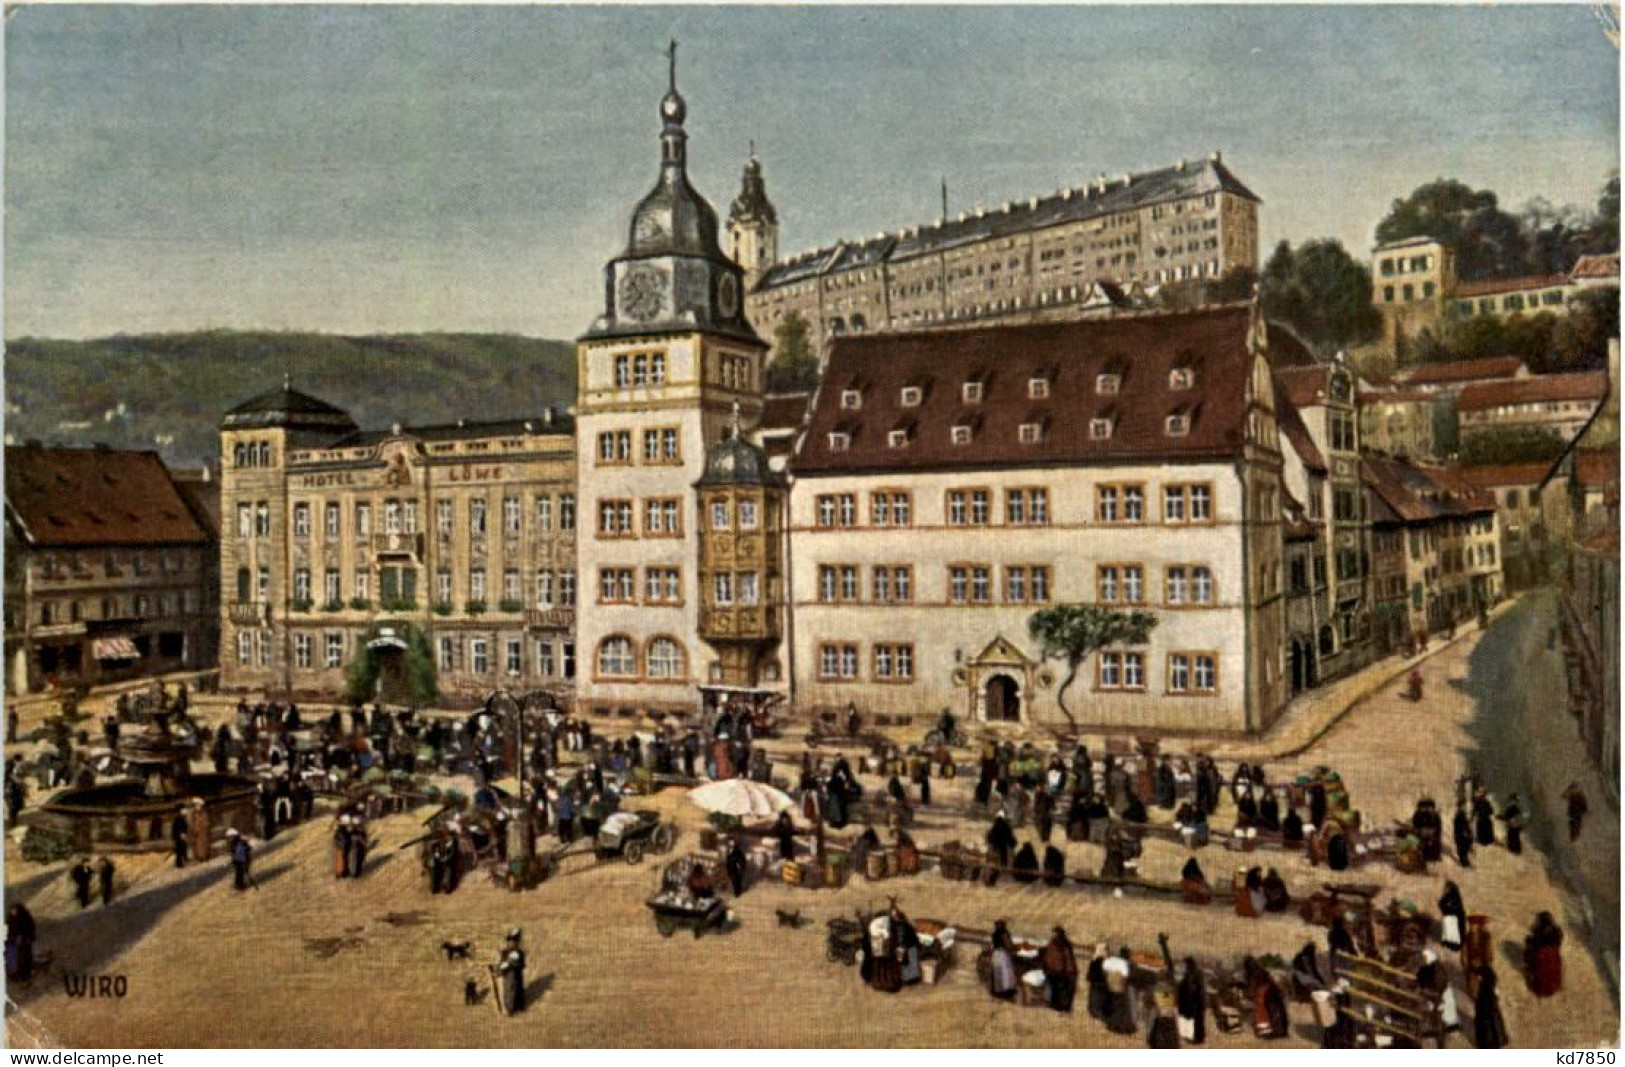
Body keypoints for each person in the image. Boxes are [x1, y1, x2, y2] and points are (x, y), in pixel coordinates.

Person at [1245, 956, 1289, 1040]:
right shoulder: (1262, 971)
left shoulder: (1253, 973)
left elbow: (1254, 986)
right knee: (1276, 1012)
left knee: (1263, 1011)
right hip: (1272, 992)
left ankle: (1268, 1032)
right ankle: (1279, 1031)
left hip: (1266, 992)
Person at [1525, 911, 1563, 997]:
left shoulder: (1538, 933)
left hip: (1540, 983)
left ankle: (1534, 978)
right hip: (1554, 982)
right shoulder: (1556, 932)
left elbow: (1532, 948)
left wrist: (1529, 942)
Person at [1040, 926, 1078, 1012]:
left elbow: (1067, 960)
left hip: (1062, 973)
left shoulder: (1064, 946)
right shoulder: (1053, 944)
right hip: (1056, 972)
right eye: (1053, 934)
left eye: (1055, 934)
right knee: (1056, 992)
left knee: (1061, 993)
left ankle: (1059, 1008)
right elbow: (1048, 957)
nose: (1053, 936)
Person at [1473, 964, 1509, 1048]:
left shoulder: (1487, 990)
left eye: (1479, 975)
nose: (1477, 978)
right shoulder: (1486, 986)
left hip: (1486, 1022)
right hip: (1484, 1019)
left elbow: (1492, 1013)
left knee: (1487, 1041)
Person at [1104, 946, 1136, 1034]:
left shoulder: (1113, 961)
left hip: (1114, 990)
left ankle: (1113, 1025)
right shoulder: (1128, 964)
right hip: (1119, 991)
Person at [1176, 957, 1206, 1044]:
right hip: (1199, 1001)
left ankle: (1196, 1039)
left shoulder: (1191, 973)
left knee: (1195, 1020)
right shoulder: (1197, 972)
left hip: (1194, 1002)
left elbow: (1190, 988)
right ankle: (1199, 1038)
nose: (1183, 966)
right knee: (1199, 1020)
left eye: (1185, 964)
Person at [496, 928, 527, 1014]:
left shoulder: (516, 952)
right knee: (515, 987)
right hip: (511, 972)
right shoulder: (508, 950)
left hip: (512, 972)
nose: (509, 943)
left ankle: (510, 1008)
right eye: (509, 941)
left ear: (515, 941)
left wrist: (499, 969)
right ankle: (517, 1006)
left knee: (511, 988)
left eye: (511, 941)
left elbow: (507, 963)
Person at [6, 902, 36, 982]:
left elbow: (30, 928)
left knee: (25, 958)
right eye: (12, 910)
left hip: (25, 941)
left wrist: (25, 937)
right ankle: (15, 975)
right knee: (13, 959)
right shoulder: (10, 918)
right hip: (13, 942)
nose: (13, 912)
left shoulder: (25, 917)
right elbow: (9, 930)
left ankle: (25, 975)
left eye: (15, 910)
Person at [988, 920, 1017, 1001]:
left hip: (996, 954)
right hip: (1002, 954)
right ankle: (1005, 993)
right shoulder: (1004, 933)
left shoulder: (994, 934)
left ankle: (998, 992)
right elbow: (1008, 945)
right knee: (1005, 974)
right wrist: (1014, 948)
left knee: (998, 972)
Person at [893, 907, 922, 986]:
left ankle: (909, 980)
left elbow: (902, 937)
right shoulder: (905, 925)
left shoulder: (902, 926)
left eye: (895, 917)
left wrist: (900, 945)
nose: (894, 919)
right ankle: (911, 979)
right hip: (910, 946)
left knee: (908, 964)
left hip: (908, 946)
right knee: (910, 964)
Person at [985, 813, 1015, 885]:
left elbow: (989, 836)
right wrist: (1012, 844)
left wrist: (990, 843)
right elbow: (1010, 837)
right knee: (1002, 859)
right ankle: (1002, 870)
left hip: (995, 846)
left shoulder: (995, 826)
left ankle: (992, 874)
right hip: (1003, 846)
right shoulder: (1006, 826)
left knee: (994, 861)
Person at [1438, 881, 1466, 952]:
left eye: (1447, 888)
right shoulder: (1448, 896)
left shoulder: (1455, 898)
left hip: (1455, 919)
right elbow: (1441, 904)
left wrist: (1446, 908)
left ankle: (1453, 945)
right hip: (1450, 918)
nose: (1445, 890)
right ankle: (1448, 944)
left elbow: (1455, 909)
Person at [1086, 943, 1110, 1020]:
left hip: (1098, 985)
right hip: (1099, 986)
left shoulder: (1096, 961)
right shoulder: (1100, 961)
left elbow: (1089, 976)